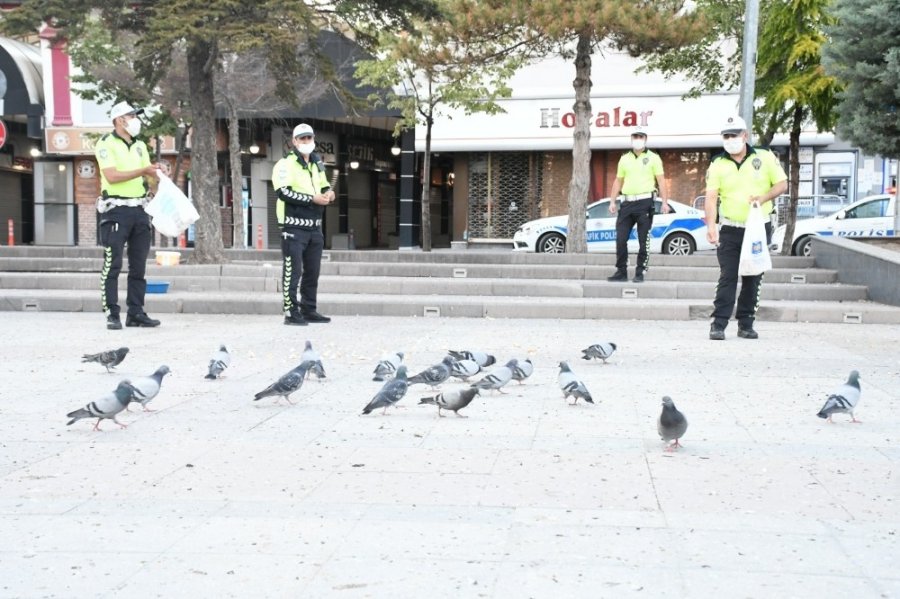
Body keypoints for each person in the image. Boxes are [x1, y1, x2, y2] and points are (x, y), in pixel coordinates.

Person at [704, 115, 787, 340]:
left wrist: (763, 198)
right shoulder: (718, 163)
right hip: (730, 228)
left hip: (758, 227)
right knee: (727, 276)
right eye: (726, 136)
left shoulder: (764, 156)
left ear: (745, 135)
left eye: (734, 135)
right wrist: (711, 225)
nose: (730, 139)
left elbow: (782, 184)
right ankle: (718, 323)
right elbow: (711, 197)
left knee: (753, 276)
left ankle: (746, 323)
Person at [95, 101, 161, 330]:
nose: (136, 120)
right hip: (116, 211)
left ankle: (136, 313)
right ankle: (112, 314)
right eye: (132, 116)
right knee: (112, 264)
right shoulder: (106, 143)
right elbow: (112, 176)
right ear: (119, 119)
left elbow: (148, 177)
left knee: (138, 266)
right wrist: (143, 170)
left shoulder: (140, 145)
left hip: (140, 210)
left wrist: (157, 175)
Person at [271, 123, 335, 326]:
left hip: (315, 226)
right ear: (294, 141)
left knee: (312, 272)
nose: (307, 141)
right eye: (302, 138)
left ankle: (309, 309)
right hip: (293, 226)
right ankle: (291, 313)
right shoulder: (285, 164)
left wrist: (329, 193)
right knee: (293, 271)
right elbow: (283, 192)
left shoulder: (317, 163)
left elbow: (324, 186)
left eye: (309, 138)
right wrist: (311, 199)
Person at [607, 127, 668, 283]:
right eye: (635, 136)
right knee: (621, 239)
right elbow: (618, 180)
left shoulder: (654, 157)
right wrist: (612, 201)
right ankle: (621, 271)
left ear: (645, 139)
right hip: (626, 203)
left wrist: (665, 202)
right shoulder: (624, 158)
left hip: (645, 203)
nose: (638, 139)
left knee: (643, 240)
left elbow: (661, 181)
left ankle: (640, 272)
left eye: (640, 136)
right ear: (631, 138)